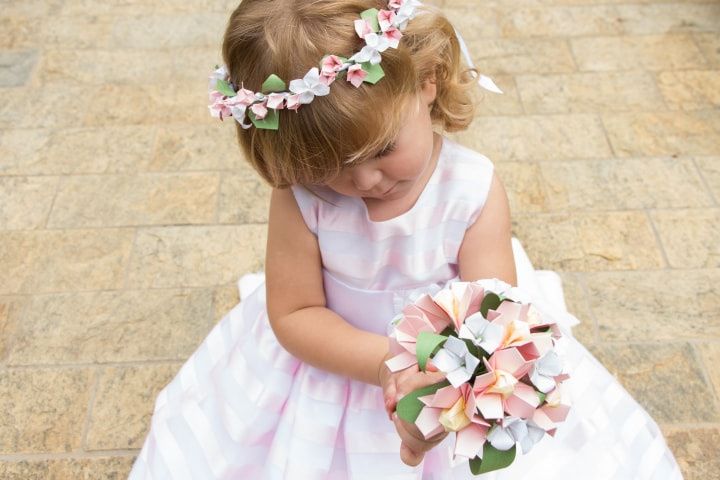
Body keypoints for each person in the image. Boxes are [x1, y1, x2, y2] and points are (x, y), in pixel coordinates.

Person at [129, 0, 682, 478]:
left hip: (452, 369)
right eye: (331, 169)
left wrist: (437, 391)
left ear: (427, 80)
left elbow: (490, 322)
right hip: (337, 360)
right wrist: (386, 364)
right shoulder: (302, 198)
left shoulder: (472, 190)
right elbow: (295, 312)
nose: (364, 181)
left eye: (382, 149)